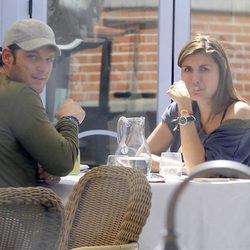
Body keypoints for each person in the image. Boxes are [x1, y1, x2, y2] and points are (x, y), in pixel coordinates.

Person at [0, 18, 85, 187]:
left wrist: (40, 160)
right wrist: (70, 119)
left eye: (49, 60)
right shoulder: (19, 94)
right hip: (11, 212)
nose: (43, 68)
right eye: (33, 57)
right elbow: (62, 163)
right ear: (8, 57)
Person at [147, 34, 250, 173]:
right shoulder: (179, 108)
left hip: (230, 195)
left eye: (204, 69)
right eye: (188, 69)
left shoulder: (239, 112)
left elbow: (199, 170)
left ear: (222, 70)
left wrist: (185, 112)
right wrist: (181, 167)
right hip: (188, 194)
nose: (195, 79)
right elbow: (141, 157)